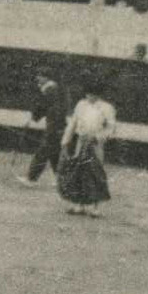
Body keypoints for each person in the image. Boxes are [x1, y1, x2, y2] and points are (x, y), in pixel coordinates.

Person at [56, 80, 116, 215]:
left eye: (93, 94)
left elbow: (111, 127)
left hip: (95, 144)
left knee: (95, 173)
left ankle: (95, 208)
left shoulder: (107, 108)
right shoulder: (81, 104)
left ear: (99, 95)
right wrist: (65, 141)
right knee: (78, 172)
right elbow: (73, 123)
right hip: (80, 141)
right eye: (88, 94)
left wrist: (98, 137)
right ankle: (79, 204)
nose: (90, 97)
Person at [21, 67, 71, 186]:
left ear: (46, 77)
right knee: (54, 153)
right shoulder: (54, 89)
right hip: (58, 125)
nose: (37, 77)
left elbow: (42, 106)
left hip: (54, 125)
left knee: (43, 152)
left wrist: (32, 118)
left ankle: (31, 179)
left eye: (40, 75)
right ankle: (62, 180)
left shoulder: (50, 89)